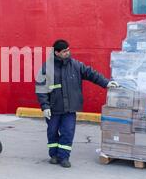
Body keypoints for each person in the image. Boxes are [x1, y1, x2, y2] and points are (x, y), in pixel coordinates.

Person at [35, 39, 119, 168]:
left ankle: (64, 157)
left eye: (68, 50)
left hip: (70, 108)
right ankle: (54, 155)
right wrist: (45, 106)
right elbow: (41, 89)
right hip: (53, 108)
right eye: (64, 51)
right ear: (57, 53)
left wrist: (106, 83)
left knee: (68, 132)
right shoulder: (46, 68)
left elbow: (91, 74)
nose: (68, 53)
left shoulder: (76, 65)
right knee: (52, 131)